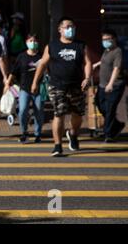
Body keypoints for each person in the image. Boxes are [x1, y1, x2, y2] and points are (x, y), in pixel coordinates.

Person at [31, 17, 92, 157]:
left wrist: (87, 78)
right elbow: (42, 64)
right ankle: (57, 146)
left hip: (77, 85)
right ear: (60, 29)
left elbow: (88, 62)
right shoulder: (52, 46)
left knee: (78, 115)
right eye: (67, 26)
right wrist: (35, 82)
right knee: (59, 114)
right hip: (57, 85)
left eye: (72, 26)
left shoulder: (81, 45)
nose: (70, 29)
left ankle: (73, 134)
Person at [5, 34, 44, 143]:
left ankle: (38, 134)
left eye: (35, 41)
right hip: (24, 88)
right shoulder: (22, 56)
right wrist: (8, 82)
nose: (33, 43)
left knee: (39, 110)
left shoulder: (41, 56)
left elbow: (48, 70)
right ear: (27, 42)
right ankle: (24, 132)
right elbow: (14, 71)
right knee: (22, 110)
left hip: (39, 88)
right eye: (31, 41)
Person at [93, 29, 126, 143]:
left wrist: (111, 83)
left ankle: (108, 134)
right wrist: (96, 64)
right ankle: (117, 125)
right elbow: (104, 61)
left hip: (115, 85)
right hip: (102, 85)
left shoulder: (117, 51)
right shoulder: (106, 51)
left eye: (108, 39)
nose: (105, 41)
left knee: (110, 109)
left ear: (114, 39)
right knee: (99, 104)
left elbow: (116, 68)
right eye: (103, 39)